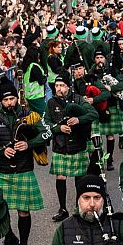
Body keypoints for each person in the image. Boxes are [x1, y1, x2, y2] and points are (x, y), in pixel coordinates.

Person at [0, 84, 49, 245]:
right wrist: (1, 150)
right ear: (1, 101)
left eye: (12, 98)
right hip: (3, 170)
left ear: (17, 98)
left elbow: (46, 134)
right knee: (1, 210)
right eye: (5, 100)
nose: (9, 102)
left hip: (23, 168)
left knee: (23, 212)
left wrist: (29, 144)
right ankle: (9, 238)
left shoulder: (28, 115)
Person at [46, 73, 101, 221]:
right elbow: (46, 124)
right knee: (61, 177)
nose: (59, 88)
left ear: (68, 87)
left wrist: (79, 119)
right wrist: (58, 129)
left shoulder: (78, 99)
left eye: (62, 85)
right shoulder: (51, 103)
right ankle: (62, 209)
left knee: (79, 178)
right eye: (57, 86)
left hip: (78, 143)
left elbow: (94, 114)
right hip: (60, 146)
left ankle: (78, 208)